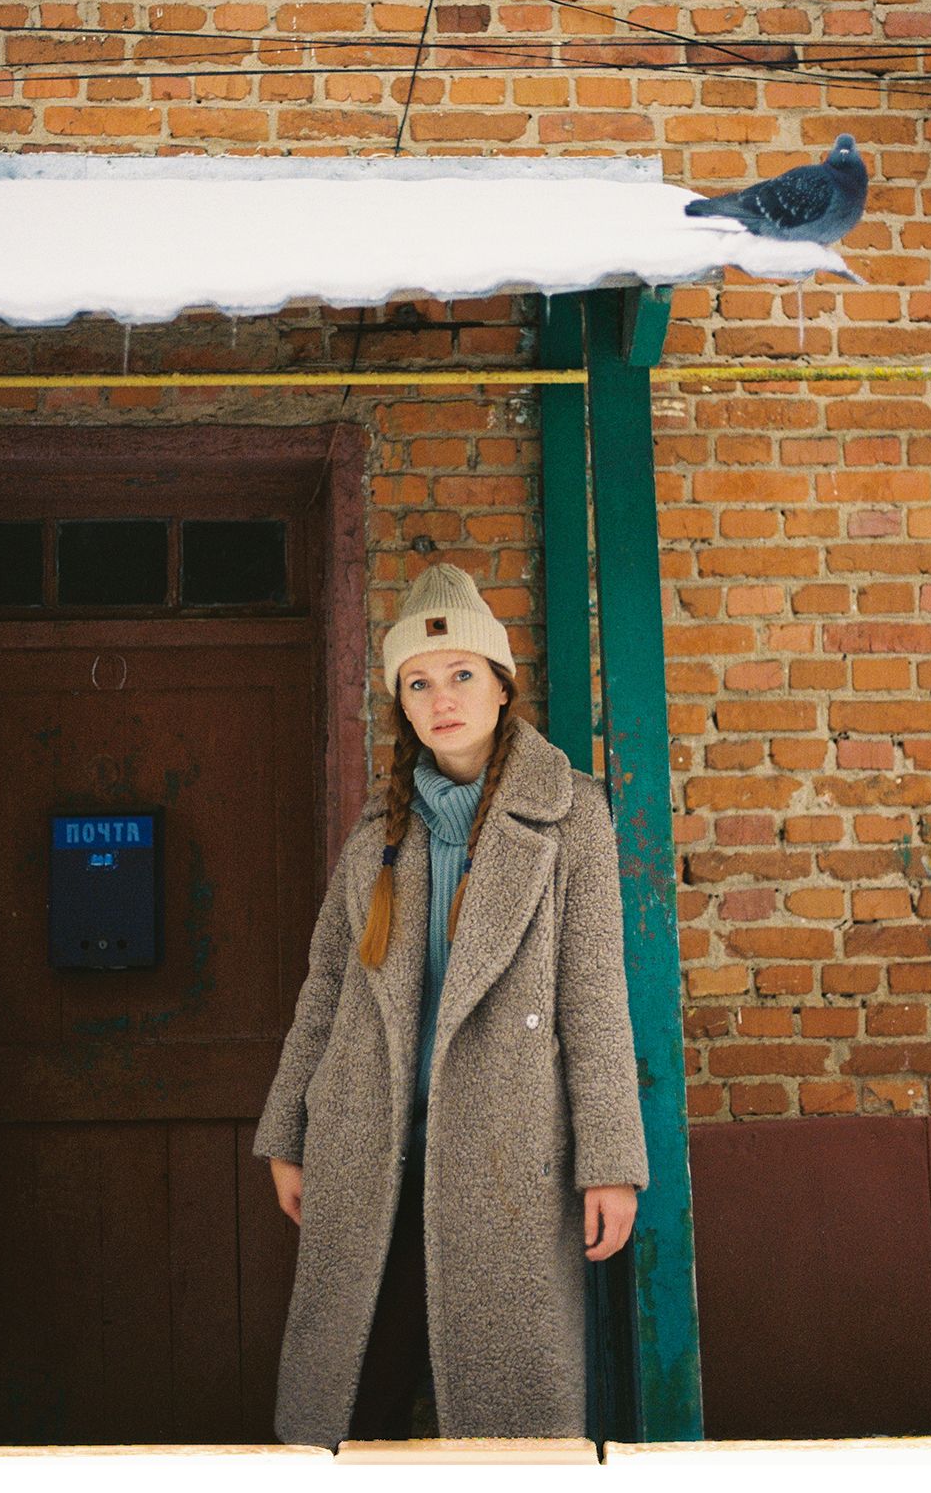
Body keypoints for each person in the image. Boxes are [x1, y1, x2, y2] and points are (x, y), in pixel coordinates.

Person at [252, 563, 649, 1447]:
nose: (443, 699)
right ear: (402, 704)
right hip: (370, 1152)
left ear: (502, 686)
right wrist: (288, 1134)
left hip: (508, 1154)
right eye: (419, 683)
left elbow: (593, 996)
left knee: (506, 1424)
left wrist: (612, 1161)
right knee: (356, 1411)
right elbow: (325, 993)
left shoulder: (572, 816)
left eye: (462, 674)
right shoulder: (376, 833)